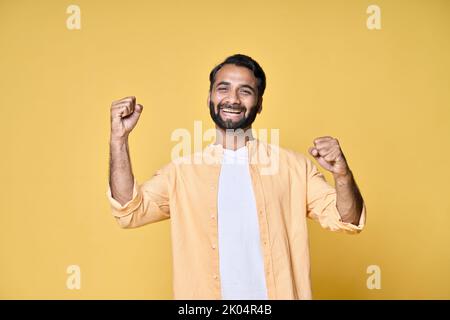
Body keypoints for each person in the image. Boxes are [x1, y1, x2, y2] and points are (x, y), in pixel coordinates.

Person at [107, 54, 366, 300]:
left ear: (260, 103)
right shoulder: (181, 173)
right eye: (223, 88)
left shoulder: (294, 168)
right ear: (209, 97)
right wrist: (118, 139)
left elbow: (348, 219)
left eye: (245, 91)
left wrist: (342, 175)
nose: (233, 99)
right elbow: (130, 211)